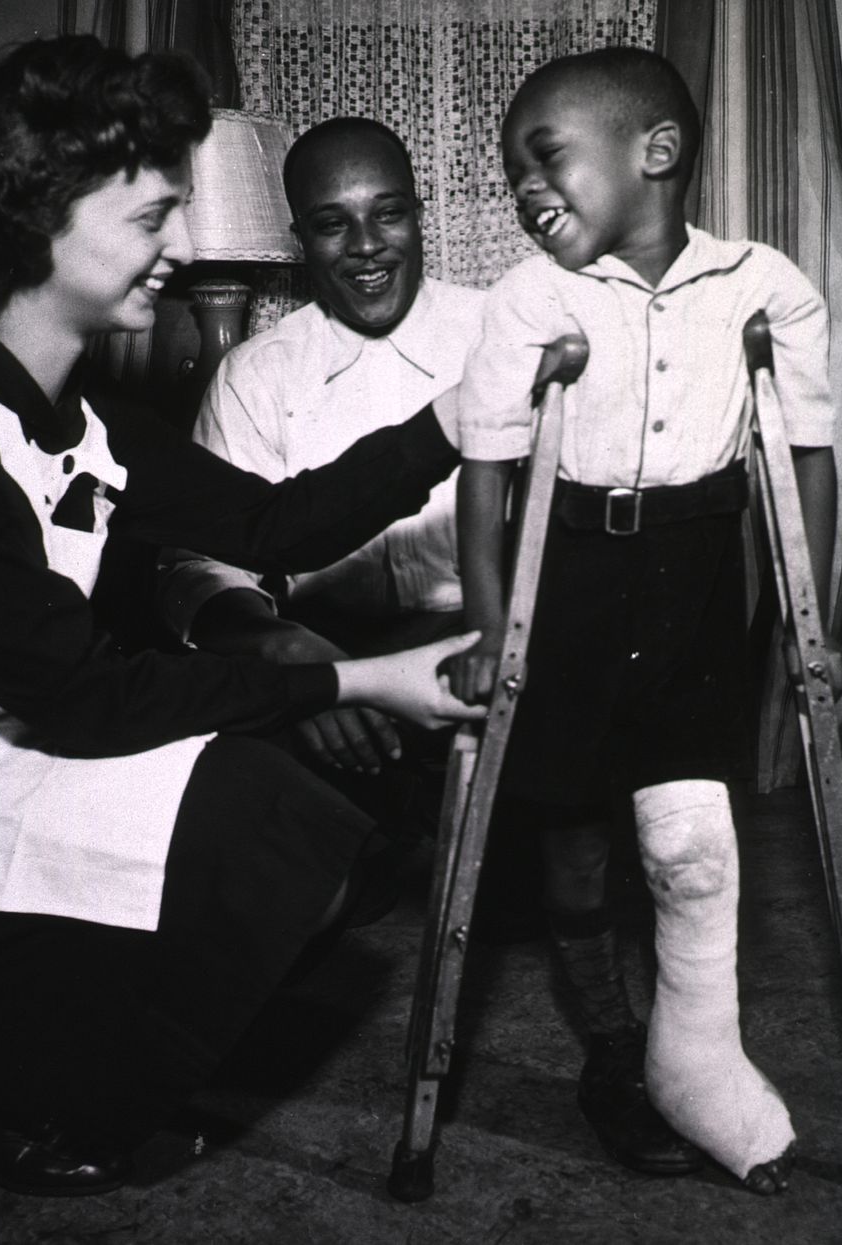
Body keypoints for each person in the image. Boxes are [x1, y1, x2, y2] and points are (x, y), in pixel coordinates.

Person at [0, 34, 487, 1198]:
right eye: (149, 218)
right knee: (250, 817)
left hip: (7, 716)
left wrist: (460, 416)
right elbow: (84, 696)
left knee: (296, 828)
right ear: (33, 223)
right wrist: (360, 680)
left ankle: (40, 1063)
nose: (182, 248)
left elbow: (276, 529)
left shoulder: (94, 416)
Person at [449, 47, 842, 1195]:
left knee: (689, 847)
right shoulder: (532, 298)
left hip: (690, 580)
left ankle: (695, 1062)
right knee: (572, 840)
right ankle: (619, 1050)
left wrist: (801, 617)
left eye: (545, 158)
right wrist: (490, 629)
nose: (525, 191)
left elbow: (804, 459)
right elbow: (487, 477)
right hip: (565, 573)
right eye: (512, 171)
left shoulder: (763, 287)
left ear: (654, 153)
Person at [161, 116, 548, 944]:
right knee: (262, 873)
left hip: (482, 643)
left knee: (532, 885)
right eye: (334, 223)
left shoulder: (503, 335)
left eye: (390, 213)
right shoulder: (256, 372)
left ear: (419, 215)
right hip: (330, 648)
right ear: (301, 240)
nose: (368, 245)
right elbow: (200, 565)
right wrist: (292, 656)